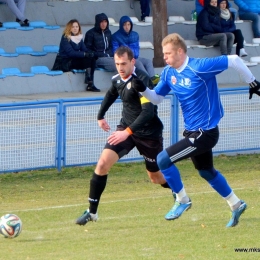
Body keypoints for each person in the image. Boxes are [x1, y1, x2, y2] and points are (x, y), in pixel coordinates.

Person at [131, 33, 260, 227]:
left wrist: (252, 81)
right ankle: (236, 204)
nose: (164, 57)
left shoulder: (199, 67)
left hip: (206, 132)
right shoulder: (169, 73)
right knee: (206, 172)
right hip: (191, 132)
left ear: (180, 52)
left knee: (163, 159)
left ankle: (182, 200)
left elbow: (233, 60)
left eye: (167, 53)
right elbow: (157, 98)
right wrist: (143, 89)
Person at [75, 46, 175, 226]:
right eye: (117, 64)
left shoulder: (142, 80)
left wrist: (126, 133)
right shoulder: (117, 79)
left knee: (156, 178)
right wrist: (100, 116)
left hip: (148, 134)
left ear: (132, 62)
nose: (120, 67)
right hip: (126, 131)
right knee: (102, 164)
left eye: (123, 64)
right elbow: (111, 94)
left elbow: (147, 113)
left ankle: (178, 190)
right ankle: (92, 212)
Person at [52, 19, 100, 92]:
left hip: (74, 60)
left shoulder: (79, 38)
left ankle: (90, 83)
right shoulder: (65, 38)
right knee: (87, 57)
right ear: (69, 28)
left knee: (91, 58)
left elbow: (85, 49)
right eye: (73, 27)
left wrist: (92, 54)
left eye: (77, 27)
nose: (75, 28)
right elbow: (71, 53)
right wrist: (85, 54)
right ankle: (89, 81)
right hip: (65, 62)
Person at [112, 16, 159, 86]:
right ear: (121, 26)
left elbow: (137, 51)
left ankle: (153, 81)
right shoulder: (115, 36)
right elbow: (116, 52)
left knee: (148, 61)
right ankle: (148, 82)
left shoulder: (135, 35)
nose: (127, 27)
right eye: (124, 25)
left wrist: (131, 53)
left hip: (134, 57)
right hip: (126, 59)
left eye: (128, 24)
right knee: (139, 63)